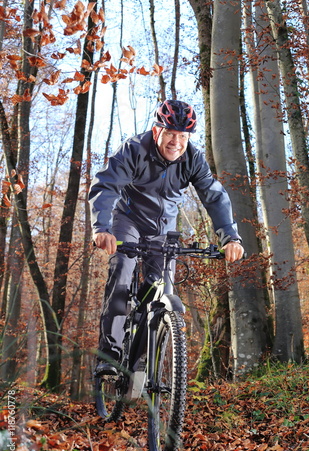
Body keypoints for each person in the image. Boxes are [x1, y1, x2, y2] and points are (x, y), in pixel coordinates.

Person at [89, 99, 244, 376]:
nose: (176, 142)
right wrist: (101, 229)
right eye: (170, 133)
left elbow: (214, 196)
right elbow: (107, 185)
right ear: (156, 130)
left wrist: (231, 237)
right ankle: (110, 352)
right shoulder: (134, 149)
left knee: (162, 288)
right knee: (123, 270)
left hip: (163, 229)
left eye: (182, 136)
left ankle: (142, 356)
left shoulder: (193, 158)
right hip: (128, 221)